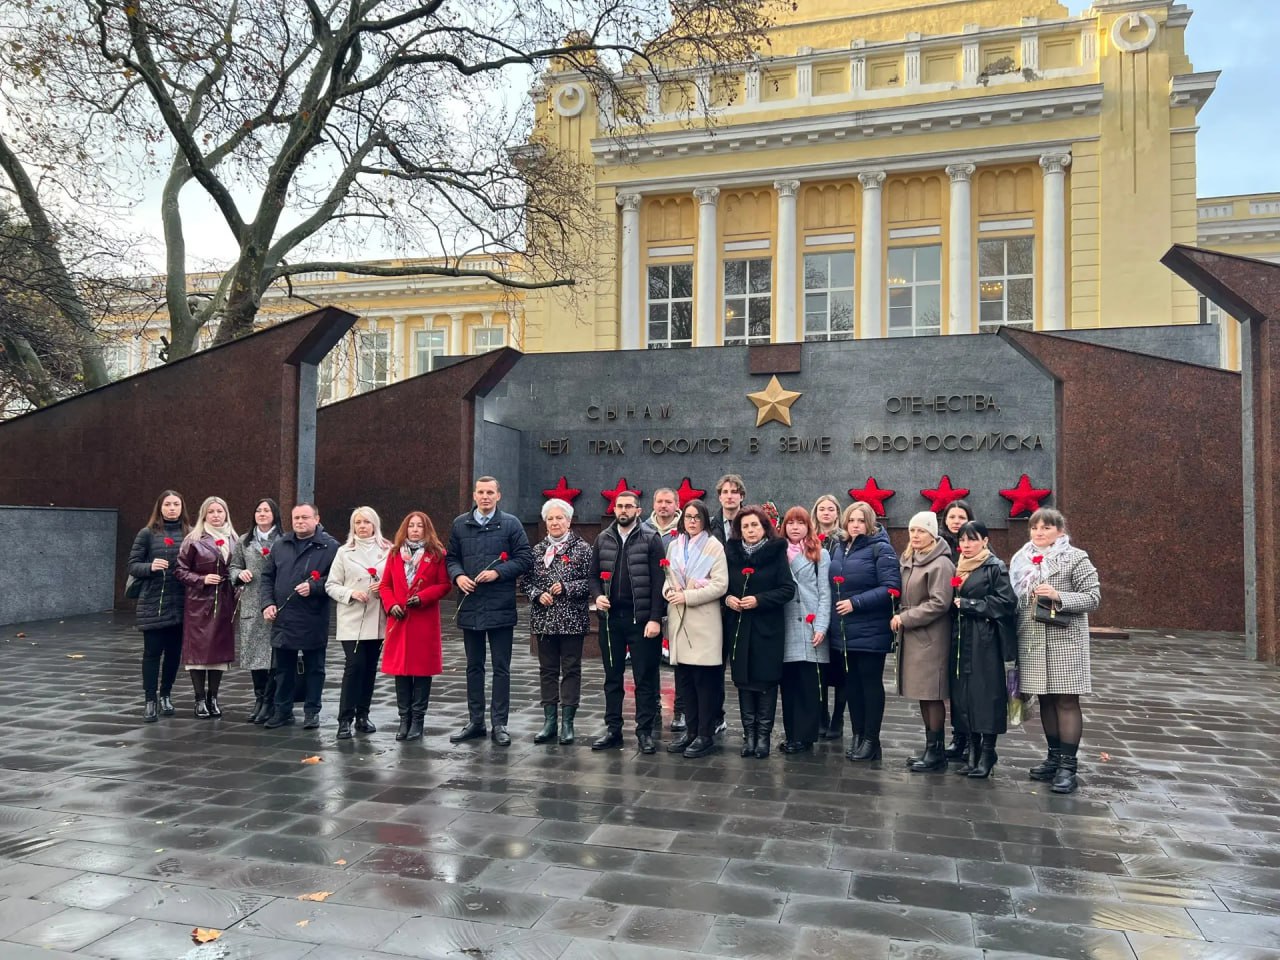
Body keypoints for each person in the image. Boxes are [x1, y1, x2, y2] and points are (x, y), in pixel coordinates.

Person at [1011, 508, 1101, 794]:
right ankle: (1052, 758)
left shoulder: (1076, 557)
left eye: (1047, 528)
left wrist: (1059, 595)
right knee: (1046, 701)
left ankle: (1068, 766)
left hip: (1064, 642)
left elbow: (1093, 597)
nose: (1039, 532)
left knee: (1065, 701)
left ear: (1060, 531)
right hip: (1032, 641)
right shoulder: (1020, 560)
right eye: (1035, 527)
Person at [445, 476, 534, 747]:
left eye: (490, 492)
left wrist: (498, 572)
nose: (485, 497)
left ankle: (499, 724)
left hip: (500, 606)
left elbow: (525, 558)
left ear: (499, 495)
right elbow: (451, 558)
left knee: (501, 668)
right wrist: (458, 576)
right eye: (481, 492)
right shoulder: (460, 524)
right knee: (474, 667)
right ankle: (475, 722)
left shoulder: (511, 523)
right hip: (470, 605)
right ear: (474, 495)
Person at [589, 490, 667, 753]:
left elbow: (659, 582)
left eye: (628, 506)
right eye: (619, 506)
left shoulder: (651, 538)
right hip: (611, 620)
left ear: (638, 510)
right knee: (612, 678)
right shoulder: (603, 538)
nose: (623, 510)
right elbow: (592, 576)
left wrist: (656, 618)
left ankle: (644, 732)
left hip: (641, 621)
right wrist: (598, 596)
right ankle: (613, 730)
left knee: (644, 678)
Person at [827, 501, 901, 761]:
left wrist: (856, 603)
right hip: (843, 630)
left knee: (870, 685)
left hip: (870, 629)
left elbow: (891, 588)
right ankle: (857, 735)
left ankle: (872, 739)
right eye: (851, 520)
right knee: (851, 686)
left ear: (869, 523)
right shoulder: (839, 547)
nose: (855, 525)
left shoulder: (881, 548)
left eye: (860, 520)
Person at [723, 505, 795, 760]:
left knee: (765, 681)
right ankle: (749, 736)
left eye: (755, 525)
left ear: (764, 527)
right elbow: (723, 585)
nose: (750, 530)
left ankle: (763, 737)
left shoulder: (776, 552)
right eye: (745, 526)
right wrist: (728, 598)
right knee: (743, 681)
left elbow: (788, 590)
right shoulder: (730, 552)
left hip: (767, 628)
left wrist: (759, 600)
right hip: (740, 627)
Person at [262, 503, 339, 729]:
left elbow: (337, 580)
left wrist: (315, 587)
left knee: (315, 668)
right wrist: (267, 604)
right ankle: (282, 711)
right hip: (283, 618)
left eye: (305, 517)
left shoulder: (330, 546)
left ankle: (312, 711)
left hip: (312, 617)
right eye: (296, 518)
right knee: (283, 669)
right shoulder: (281, 544)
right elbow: (267, 577)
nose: (300, 522)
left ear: (317, 519)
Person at [890, 511, 957, 772]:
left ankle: (936, 752)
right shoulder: (910, 559)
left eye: (922, 531)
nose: (916, 535)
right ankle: (931, 747)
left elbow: (940, 603)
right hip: (915, 636)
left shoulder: (940, 564)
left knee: (932, 695)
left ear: (933, 535)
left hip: (931, 637)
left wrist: (906, 617)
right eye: (912, 531)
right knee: (922, 694)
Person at [951, 520, 1018, 777]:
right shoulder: (958, 566)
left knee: (986, 694)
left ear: (985, 541)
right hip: (960, 638)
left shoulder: (995, 566)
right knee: (963, 694)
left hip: (985, 639)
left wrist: (970, 604)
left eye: (972, 539)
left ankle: (988, 752)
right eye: (962, 540)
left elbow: (1005, 602)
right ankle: (973, 750)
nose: (966, 545)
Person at [523, 498, 592, 746]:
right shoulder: (537, 551)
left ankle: (567, 723)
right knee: (547, 671)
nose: (555, 522)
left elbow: (590, 583)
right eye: (550, 518)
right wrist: (536, 594)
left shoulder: (583, 549)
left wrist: (566, 587)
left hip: (572, 620)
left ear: (569, 521)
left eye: (559, 518)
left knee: (571, 670)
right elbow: (525, 582)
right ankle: (549, 721)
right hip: (544, 621)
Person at [662, 499, 728, 758]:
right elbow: (667, 578)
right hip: (678, 619)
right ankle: (690, 732)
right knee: (685, 681)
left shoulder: (714, 546)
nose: (691, 521)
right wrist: (668, 591)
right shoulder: (675, 546)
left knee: (704, 682)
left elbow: (720, 585)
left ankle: (705, 734)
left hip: (703, 621)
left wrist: (688, 596)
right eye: (688, 516)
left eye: (696, 517)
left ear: (704, 520)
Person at [381, 510, 451, 741]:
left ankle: (418, 720)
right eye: (411, 525)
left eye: (419, 526)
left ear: (426, 529)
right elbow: (385, 586)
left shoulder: (437, 554)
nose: (415, 529)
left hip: (423, 621)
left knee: (421, 671)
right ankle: (404, 719)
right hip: (399, 620)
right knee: (400, 671)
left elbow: (444, 585)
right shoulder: (393, 554)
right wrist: (391, 605)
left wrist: (424, 597)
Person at [326, 506, 391, 740]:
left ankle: (363, 715)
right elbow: (331, 584)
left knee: (370, 668)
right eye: (358, 522)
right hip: (353, 618)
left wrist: (384, 587)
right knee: (354, 666)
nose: (362, 527)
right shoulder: (344, 552)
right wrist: (351, 592)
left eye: (366, 522)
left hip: (378, 617)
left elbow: (395, 580)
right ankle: (345, 719)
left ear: (375, 524)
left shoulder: (388, 550)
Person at [174, 496, 238, 719]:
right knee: (199, 654)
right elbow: (180, 570)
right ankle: (199, 699)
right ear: (203, 515)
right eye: (211, 512)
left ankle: (213, 697)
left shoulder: (235, 539)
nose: (216, 515)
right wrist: (201, 579)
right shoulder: (193, 539)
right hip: (200, 604)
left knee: (218, 655)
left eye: (220, 511)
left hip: (225, 602)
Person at [129, 490, 190, 722]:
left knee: (174, 654)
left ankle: (166, 694)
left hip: (180, 602)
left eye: (176, 504)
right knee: (152, 653)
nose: (172, 508)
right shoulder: (147, 534)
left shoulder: (190, 533)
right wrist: (151, 566)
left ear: (182, 507)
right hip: (153, 602)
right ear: (160, 507)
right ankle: (150, 699)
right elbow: (133, 565)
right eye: (167, 504)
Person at [779, 507, 830, 753]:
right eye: (791, 523)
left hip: (810, 626)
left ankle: (806, 735)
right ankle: (792, 734)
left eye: (800, 523)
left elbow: (825, 593)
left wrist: (821, 625)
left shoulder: (821, 553)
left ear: (809, 526)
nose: (795, 527)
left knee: (809, 684)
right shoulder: (777, 552)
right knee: (788, 685)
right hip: (786, 624)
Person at [228, 498, 282, 723]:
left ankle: (270, 701)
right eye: (258, 510)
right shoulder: (244, 540)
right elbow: (233, 566)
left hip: (274, 602)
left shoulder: (284, 540)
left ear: (274, 514)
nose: (261, 514)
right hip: (251, 602)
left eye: (266, 510)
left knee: (273, 657)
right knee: (254, 657)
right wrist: (239, 575)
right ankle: (259, 699)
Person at [937, 498, 974, 762]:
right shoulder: (940, 547)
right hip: (943, 623)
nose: (956, 521)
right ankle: (958, 737)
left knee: (968, 686)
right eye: (952, 517)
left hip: (970, 625)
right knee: (952, 686)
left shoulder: (978, 547)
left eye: (961, 517)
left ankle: (972, 738)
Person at [810, 493, 844, 740]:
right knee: (819, 668)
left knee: (840, 670)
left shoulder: (845, 540)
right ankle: (820, 714)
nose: (826, 513)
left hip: (840, 610)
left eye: (831, 509)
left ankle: (838, 717)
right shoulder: (808, 540)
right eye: (822, 509)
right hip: (816, 610)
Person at [709, 474, 745, 545]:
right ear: (720, 498)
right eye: (725, 492)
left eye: (734, 492)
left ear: (741, 497)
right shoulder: (709, 525)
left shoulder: (753, 524)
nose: (729, 496)